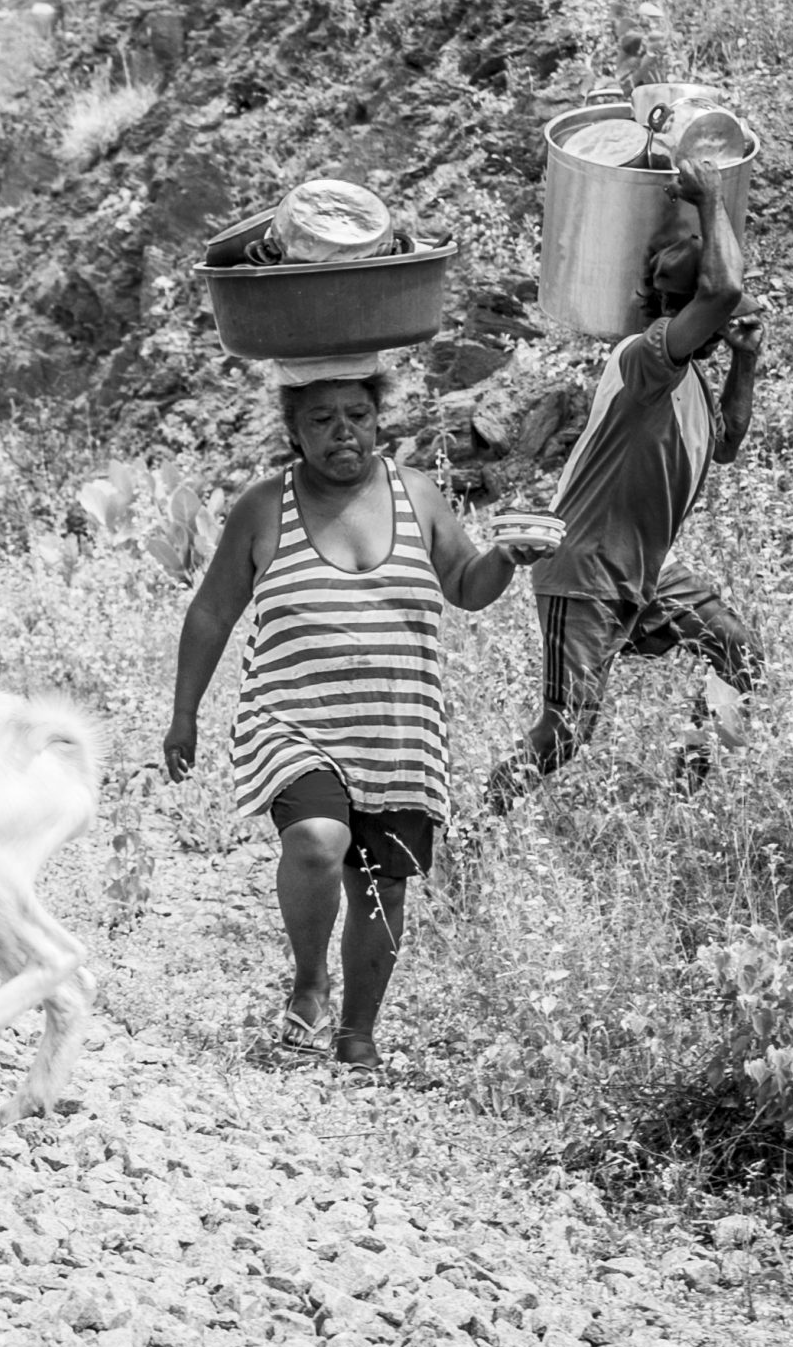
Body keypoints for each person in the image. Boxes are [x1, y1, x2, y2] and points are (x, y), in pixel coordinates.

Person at [165, 362, 551, 1069]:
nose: (343, 432)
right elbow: (213, 611)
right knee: (317, 841)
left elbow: (467, 586)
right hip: (293, 719)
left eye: (358, 416)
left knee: (382, 883)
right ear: (294, 431)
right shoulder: (264, 507)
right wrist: (183, 716)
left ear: (378, 421)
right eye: (322, 419)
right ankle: (310, 984)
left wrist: (505, 556)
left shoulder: (418, 494)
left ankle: (357, 1035)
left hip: (398, 728)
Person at [484, 151, 766, 813]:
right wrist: (709, 199)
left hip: (642, 572)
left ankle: (687, 789)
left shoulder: (690, 379)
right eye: (715, 314)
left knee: (740, 653)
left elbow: (726, 443)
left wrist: (745, 362)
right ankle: (476, 827)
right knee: (566, 732)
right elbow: (722, 291)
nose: (727, 322)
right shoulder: (644, 359)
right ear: (679, 310)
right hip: (584, 569)